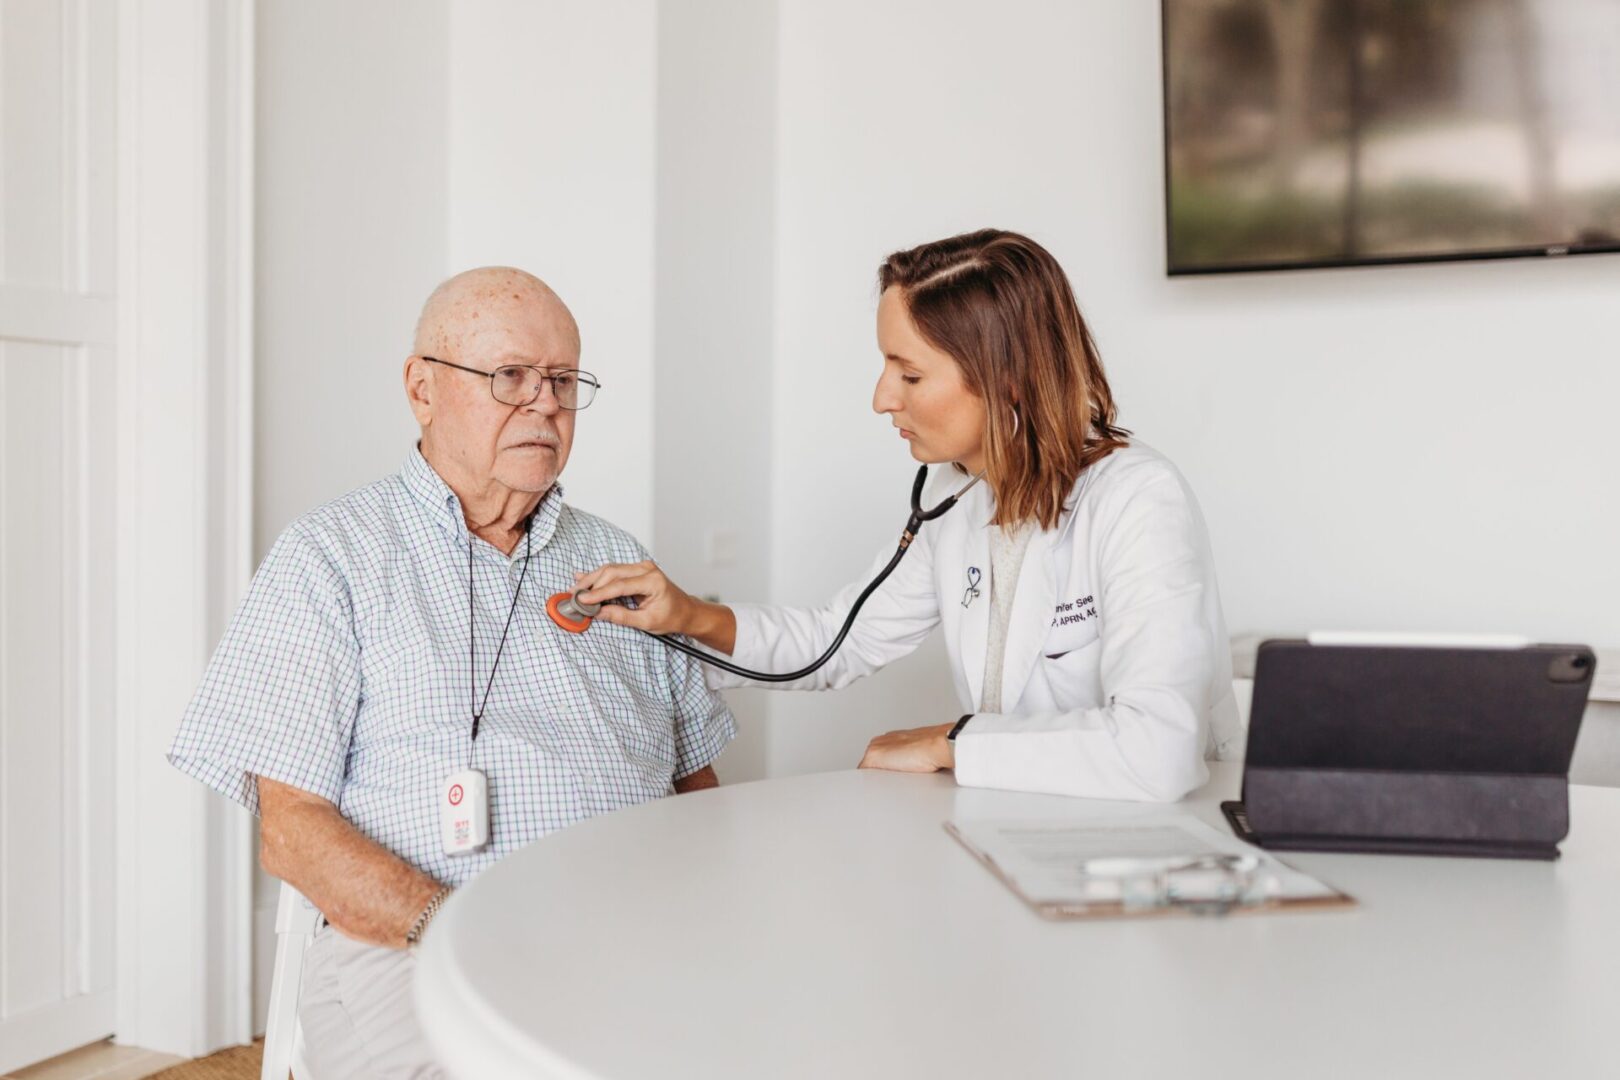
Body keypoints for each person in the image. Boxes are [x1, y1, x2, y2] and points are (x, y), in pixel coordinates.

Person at [168, 267, 734, 1078]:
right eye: (511, 376)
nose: (544, 403)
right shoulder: (331, 556)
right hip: (412, 947)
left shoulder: (619, 560)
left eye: (564, 381)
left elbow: (697, 789)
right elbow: (293, 833)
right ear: (422, 389)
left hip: (628, 944)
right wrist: (461, 933)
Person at [577, 229, 1241, 802]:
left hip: (1148, 848)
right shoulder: (959, 505)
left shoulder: (1135, 500)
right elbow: (838, 642)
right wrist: (685, 615)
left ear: (1007, 379)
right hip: (1018, 829)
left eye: (910, 375)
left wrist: (956, 743)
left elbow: (1159, 747)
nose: (880, 398)